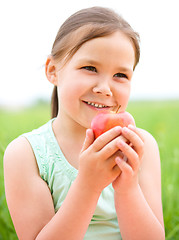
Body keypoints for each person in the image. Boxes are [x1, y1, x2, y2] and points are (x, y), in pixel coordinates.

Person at [3, 6, 165, 240]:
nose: (104, 88)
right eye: (90, 68)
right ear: (53, 70)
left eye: (121, 75)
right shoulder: (26, 154)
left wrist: (127, 189)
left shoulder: (140, 146)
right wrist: (88, 186)